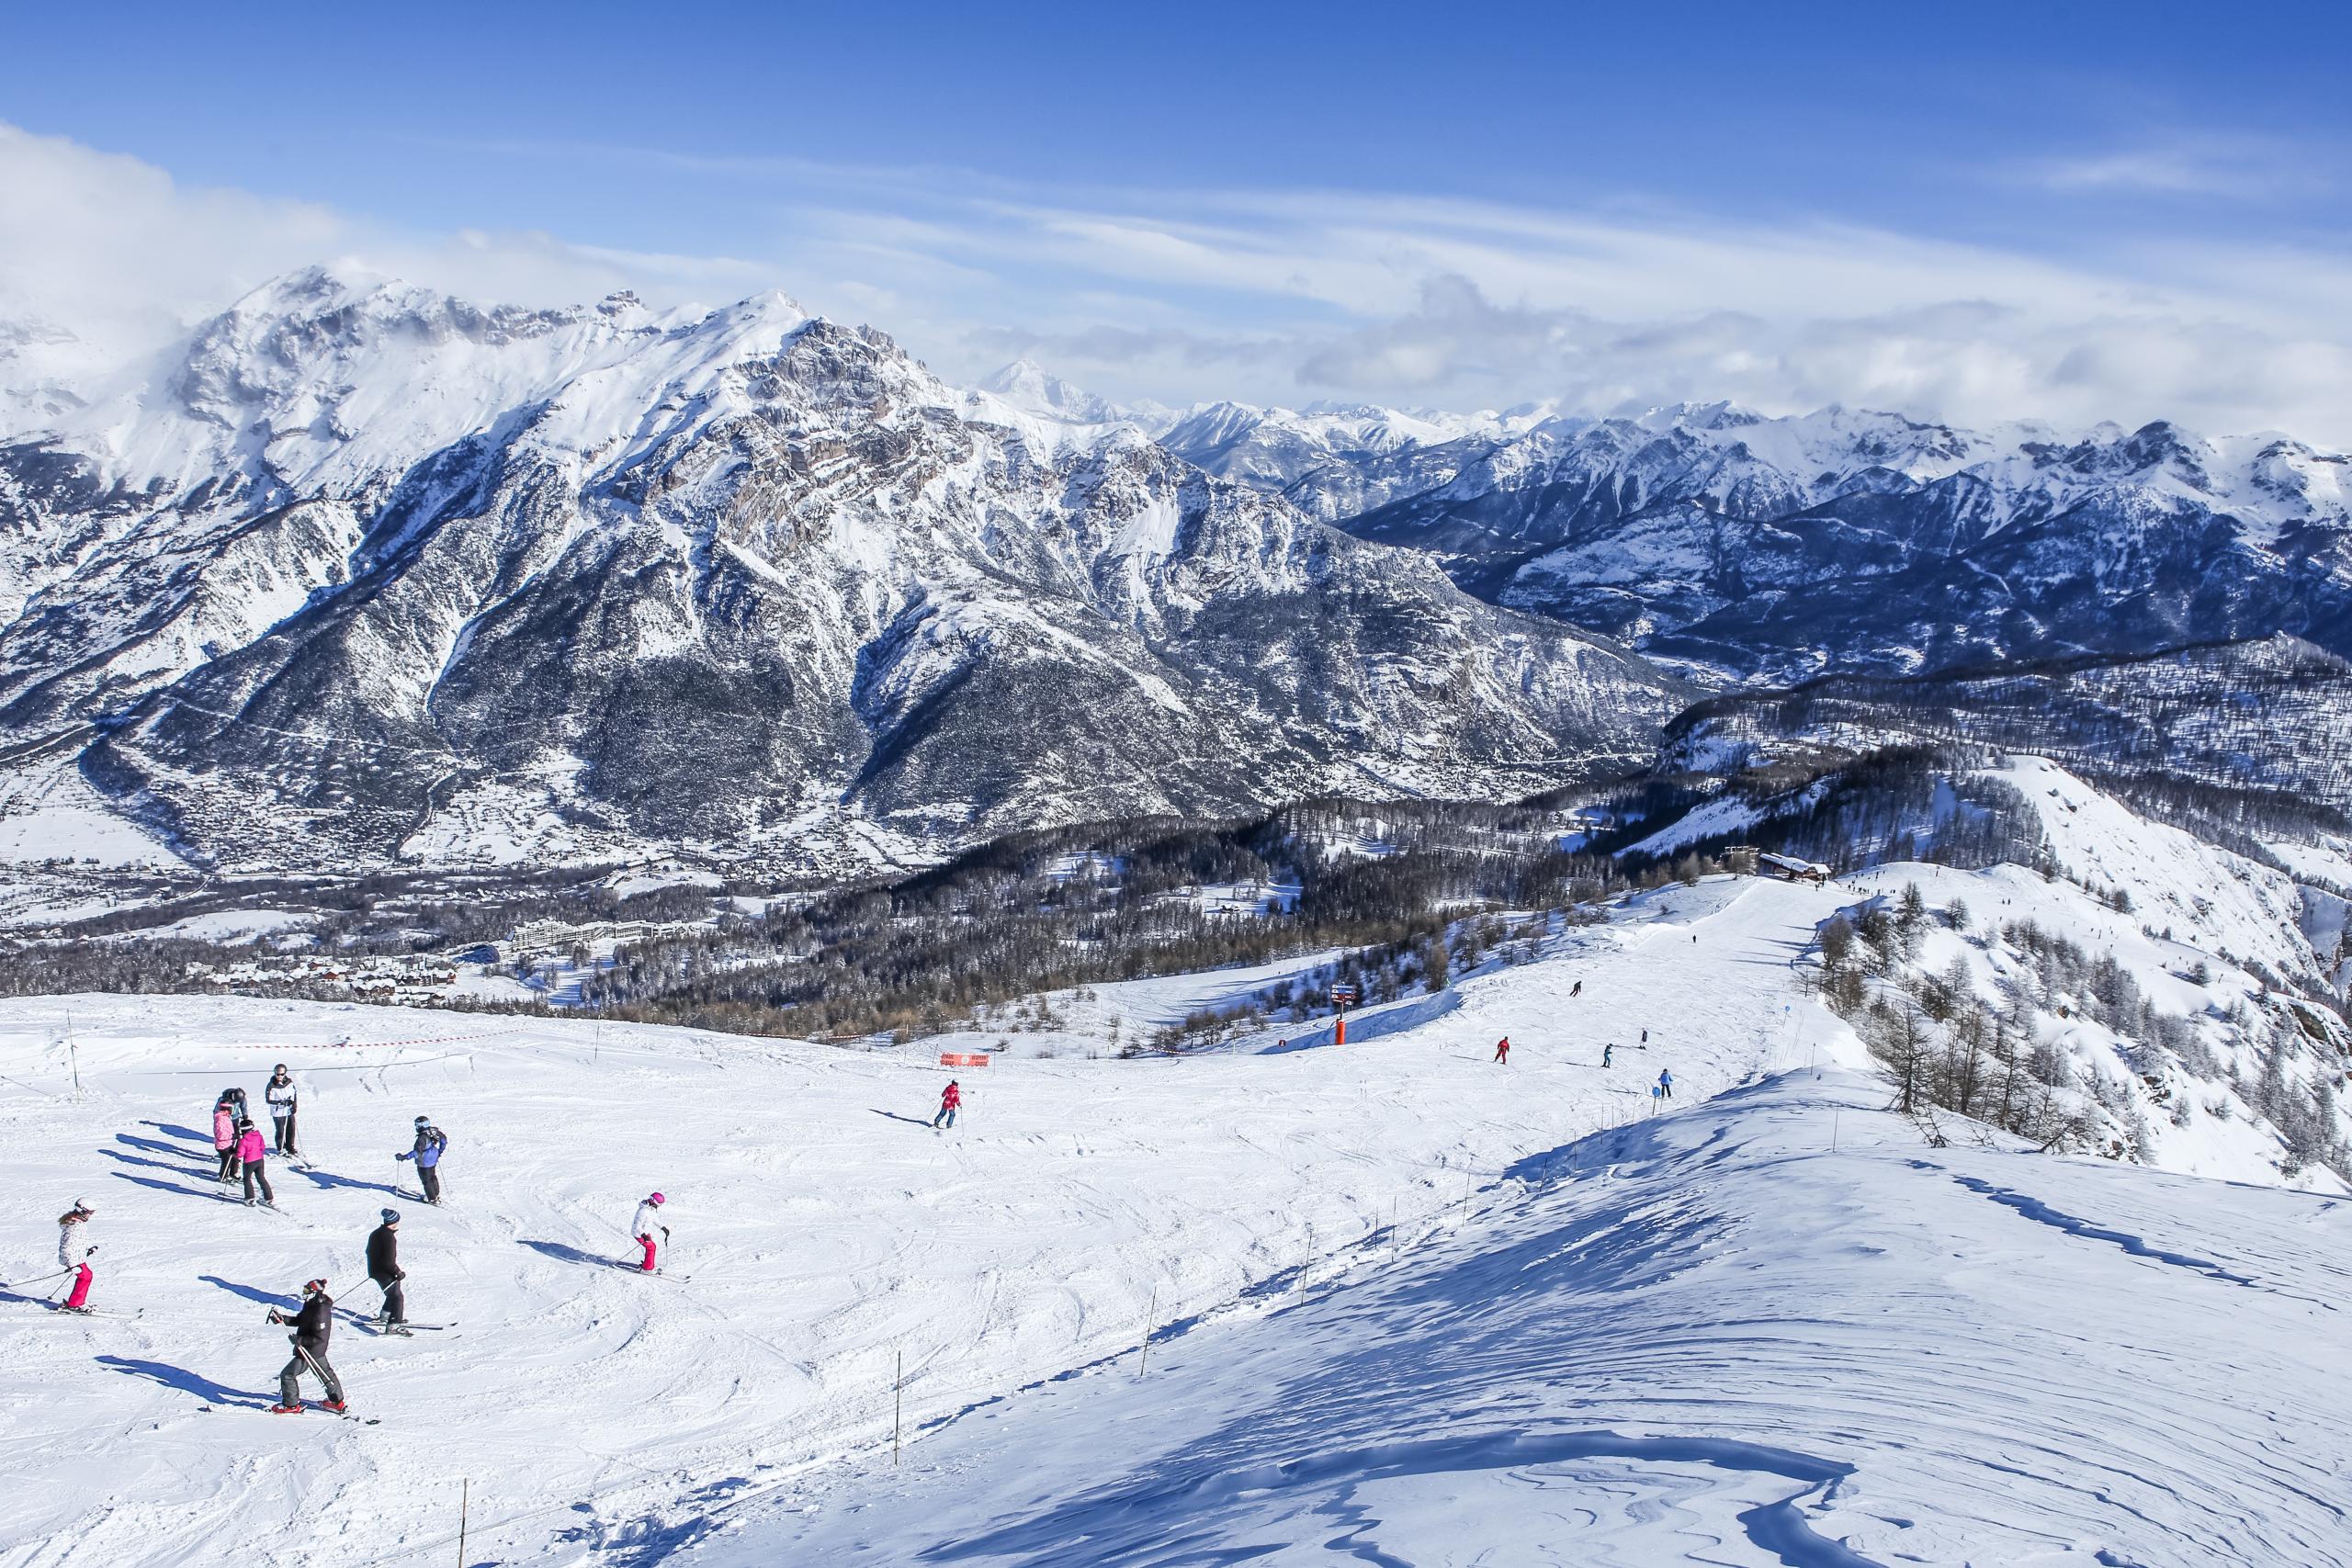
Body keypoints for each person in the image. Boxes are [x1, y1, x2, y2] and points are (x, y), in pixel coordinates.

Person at [266, 1279, 346, 1415]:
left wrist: (299, 1340)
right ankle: (337, 1403)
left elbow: (319, 1337)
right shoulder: (311, 1304)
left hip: (311, 1350)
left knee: (288, 1375)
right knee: (325, 1374)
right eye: (305, 1290)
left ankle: (291, 1405)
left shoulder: (320, 1311)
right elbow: (300, 1320)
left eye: (307, 1291)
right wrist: (282, 1319)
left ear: (315, 1292)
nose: (304, 1293)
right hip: (310, 1348)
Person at [367, 1209, 409, 1334]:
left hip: (376, 1271)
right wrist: (398, 1273)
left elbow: (369, 1252)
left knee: (392, 1295)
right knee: (397, 1297)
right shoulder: (389, 1237)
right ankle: (394, 1325)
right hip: (385, 1273)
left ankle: (385, 1316)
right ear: (395, 1222)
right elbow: (389, 1261)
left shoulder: (376, 1233)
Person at [397, 1116, 448, 1204]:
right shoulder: (433, 1131)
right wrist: (439, 1151)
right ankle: (436, 1194)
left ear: (421, 1125)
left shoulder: (422, 1138)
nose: (416, 1127)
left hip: (424, 1161)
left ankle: (432, 1199)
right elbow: (444, 1140)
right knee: (432, 1176)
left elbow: (417, 1152)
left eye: (417, 1125)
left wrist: (403, 1157)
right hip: (433, 1156)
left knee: (426, 1180)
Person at [56, 1201, 96, 1314]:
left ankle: (78, 1301)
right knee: (85, 1277)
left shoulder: (79, 1223)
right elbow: (66, 1247)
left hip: (78, 1256)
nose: (91, 1215)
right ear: (82, 1211)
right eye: (90, 1213)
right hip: (72, 1258)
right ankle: (75, 1303)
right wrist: (72, 1265)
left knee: (87, 1275)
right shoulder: (73, 1226)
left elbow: (81, 1240)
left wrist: (90, 1247)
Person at [235, 1117, 277, 1208]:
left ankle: (250, 1199)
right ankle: (268, 1198)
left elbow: (240, 1154)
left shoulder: (244, 1140)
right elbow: (262, 1147)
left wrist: (234, 1152)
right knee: (261, 1178)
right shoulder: (259, 1136)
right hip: (260, 1160)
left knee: (247, 1179)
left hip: (249, 1162)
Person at [265, 1066, 299, 1157]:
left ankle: (290, 1147)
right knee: (280, 1130)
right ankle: (281, 1148)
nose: (279, 1076)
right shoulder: (271, 1085)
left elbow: (294, 1093)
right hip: (278, 1112)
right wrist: (281, 1102)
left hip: (288, 1109)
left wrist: (294, 1105)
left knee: (291, 1129)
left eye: (281, 1074)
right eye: (277, 1074)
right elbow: (268, 1100)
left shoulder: (289, 1082)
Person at [630, 1192, 667, 1273]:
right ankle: (647, 1269)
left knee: (652, 1247)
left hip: (645, 1233)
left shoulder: (651, 1209)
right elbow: (637, 1225)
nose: (659, 1206)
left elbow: (654, 1219)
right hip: (639, 1233)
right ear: (655, 1202)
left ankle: (648, 1264)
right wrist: (643, 1235)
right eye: (660, 1204)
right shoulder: (643, 1211)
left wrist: (663, 1228)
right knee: (651, 1247)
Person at [213, 1098, 240, 1184]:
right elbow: (220, 1135)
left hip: (228, 1143)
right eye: (231, 1109)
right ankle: (223, 1176)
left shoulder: (226, 1117)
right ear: (227, 1109)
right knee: (227, 1160)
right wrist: (232, 1136)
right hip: (222, 1145)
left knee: (234, 1159)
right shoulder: (220, 1119)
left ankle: (232, 1174)